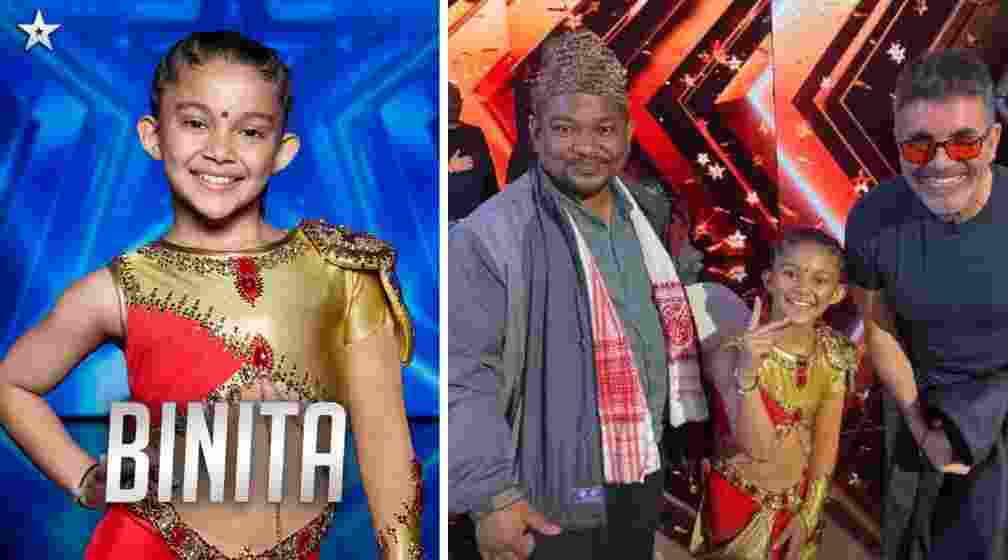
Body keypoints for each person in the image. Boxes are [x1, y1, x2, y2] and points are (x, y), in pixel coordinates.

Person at [0, 31, 423, 560]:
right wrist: (86, 477)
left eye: (249, 131)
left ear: (282, 151)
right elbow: (12, 384)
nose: (220, 151)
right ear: (153, 136)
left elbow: (385, 442)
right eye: (196, 123)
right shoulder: (117, 288)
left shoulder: (342, 271)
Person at [448, 30, 709, 559]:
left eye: (604, 129)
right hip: (548, 478)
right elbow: (463, 372)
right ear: (535, 133)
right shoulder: (491, 235)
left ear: (628, 135)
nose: (587, 147)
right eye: (565, 129)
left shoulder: (647, 212)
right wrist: (494, 496)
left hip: (640, 462)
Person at [845, 48, 1008, 559]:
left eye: (963, 142)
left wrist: (984, 411)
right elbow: (879, 328)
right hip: (918, 403)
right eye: (919, 145)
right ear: (897, 147)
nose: (939, 163)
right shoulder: (870, 218)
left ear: (994, 141)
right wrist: (920, 423)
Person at [687, 229, 856, 560]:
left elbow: (825, 442)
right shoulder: (731, 353)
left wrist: (809, 515)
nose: (803, 289)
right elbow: (758, 448)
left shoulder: (835, 354)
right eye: (791, 274)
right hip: (736, 505)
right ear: (769, 279)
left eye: (820, 280)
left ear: (837, 293)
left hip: (795, 510)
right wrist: (748, 372)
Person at [449, 81, 500, 223]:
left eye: (455, 101)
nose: (452, 106)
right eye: (447, 101)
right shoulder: (430, 132)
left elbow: (489, 175)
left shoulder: (475, 133)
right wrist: (449, 168)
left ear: (461, 102)